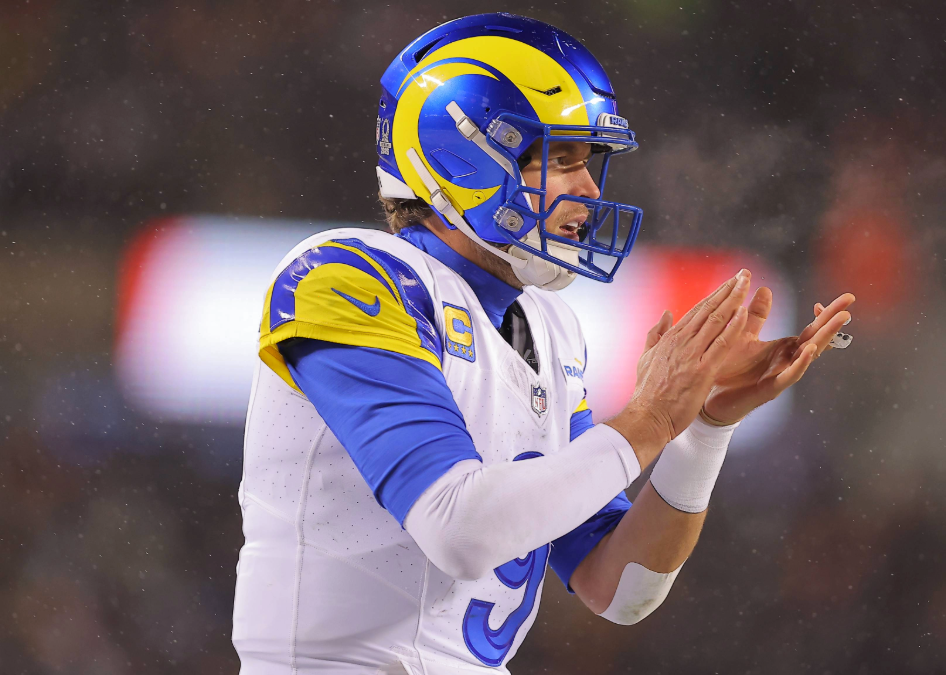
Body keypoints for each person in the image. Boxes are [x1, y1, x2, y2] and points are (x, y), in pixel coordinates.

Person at [231, 13, 854, 674]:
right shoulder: (348, 278)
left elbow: (620, 590)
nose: (587, 188)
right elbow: (459, 529)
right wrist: (649, 416)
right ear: (464, 155)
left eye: (587, 161)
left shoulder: (550, 330)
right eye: (561, 157)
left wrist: (700, 427)